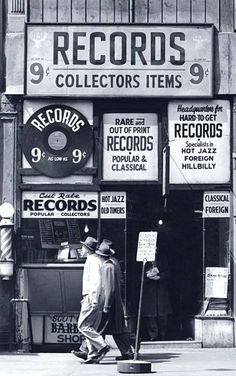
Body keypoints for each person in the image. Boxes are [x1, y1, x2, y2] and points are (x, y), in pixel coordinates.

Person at [96, 239, 133, 361]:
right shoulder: (114, 263)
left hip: (110, 303)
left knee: (100, 327)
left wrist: (106, 305)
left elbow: (109, 288)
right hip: (114, 302)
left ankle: (89, 350)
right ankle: (127, 350)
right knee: (117, 329)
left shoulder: (108, 267)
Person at [76, 236, 110, 364]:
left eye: (83, 247)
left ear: (88, 249)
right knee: (91, 327)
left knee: (83, 325)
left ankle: (102, 345)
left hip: (92, 297)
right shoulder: (96, 260)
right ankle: (93, 355)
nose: (81, 249)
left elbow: (96, 281)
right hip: (95, 296)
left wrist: (93, 298)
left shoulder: (92, 260)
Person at [142, 246, 172, 341]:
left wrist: (160, 277)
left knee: (163, 314)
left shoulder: (162, 258)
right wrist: (146, 276)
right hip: (149, 290)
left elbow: (168, 273)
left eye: (155, 248)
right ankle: (153, 335)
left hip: (161, 289)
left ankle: (163, 334)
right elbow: (138, 274)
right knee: (150, 314)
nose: (154, 250)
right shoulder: (144, 259)